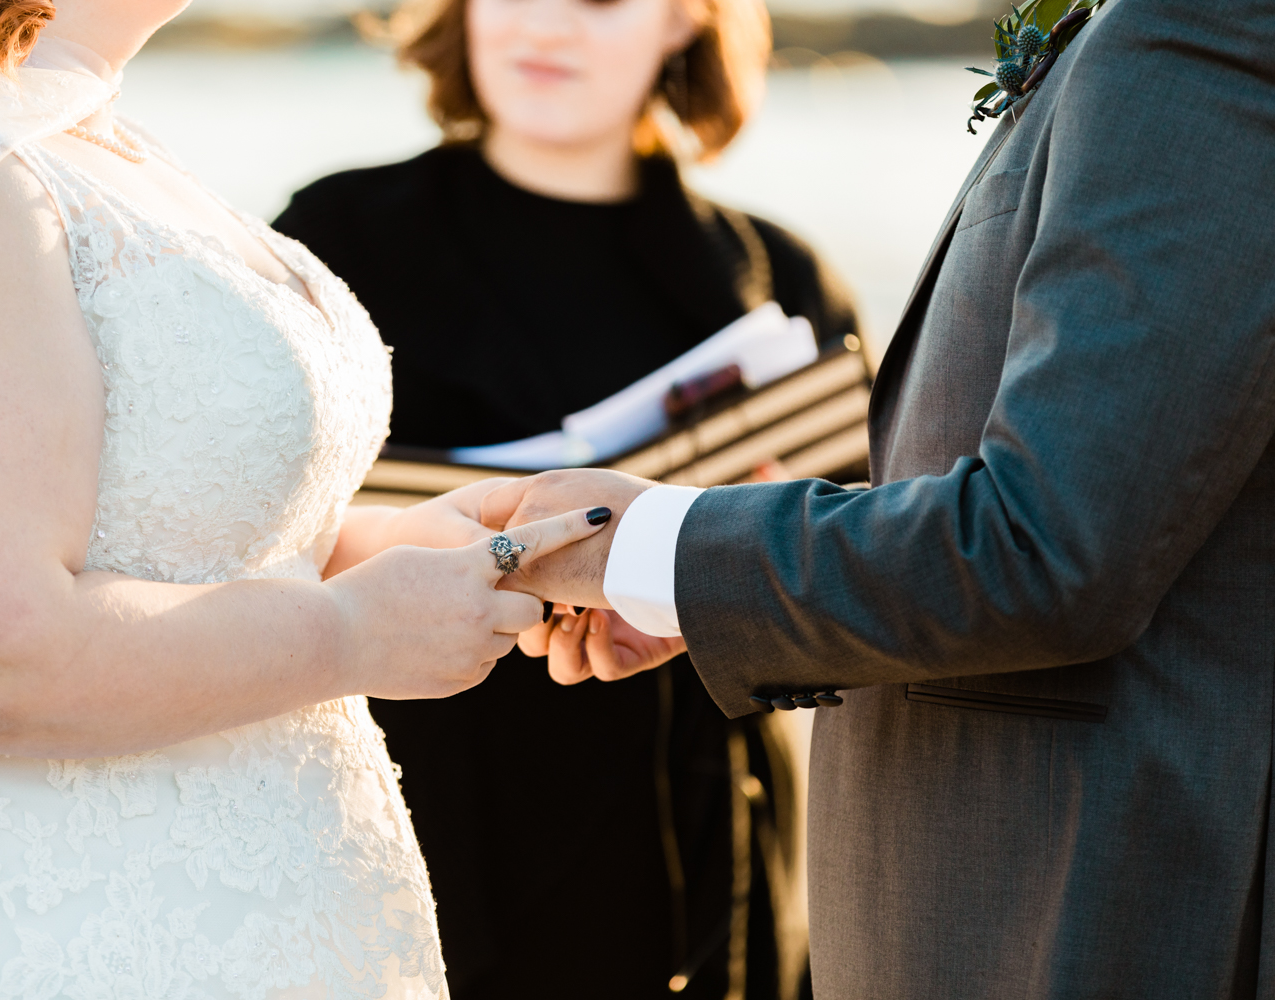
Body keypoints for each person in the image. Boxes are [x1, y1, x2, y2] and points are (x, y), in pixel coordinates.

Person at [0, 0, 610, 993]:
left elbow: (152, 523)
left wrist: (384, 548)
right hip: (34, 918)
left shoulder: (77, 131)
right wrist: (349, 633)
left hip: (246, 913)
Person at [480, 0, 1275, 996]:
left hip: (1083, 909)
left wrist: (655, 547)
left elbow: (1047, 547)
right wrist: (686, 593)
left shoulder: (1204, 33)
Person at [273, 0, 856, 993]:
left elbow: (864, 586)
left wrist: (751, 544)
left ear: (685, 19)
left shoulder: (773, 277)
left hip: (708, 822)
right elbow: (244, 530)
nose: (546, 26)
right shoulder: (340, 236)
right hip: (436, 801)